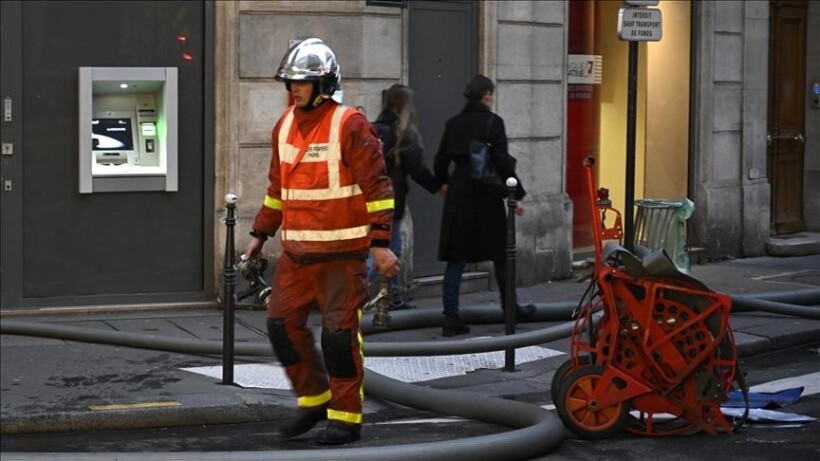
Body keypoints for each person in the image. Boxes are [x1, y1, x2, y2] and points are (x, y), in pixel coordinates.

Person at [243, 38, 399, 446]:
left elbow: (378, 189)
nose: (293, 89)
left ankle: (345, 417)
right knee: (280, 326)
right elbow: (278, 188)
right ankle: (313, 399)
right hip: (296, 255)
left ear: (324, 83)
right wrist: (260, 234)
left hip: (342, 257)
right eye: (290, 82)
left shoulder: (350, 124)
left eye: (302, 82)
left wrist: (381, 244)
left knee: (338, 337)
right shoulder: (284, 125)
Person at [433, 74, 536, 337]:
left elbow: (440, 161)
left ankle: (450, 316)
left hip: (459, 196)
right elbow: (502, 161)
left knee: (456, 259)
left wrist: (444, 184)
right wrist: (516, 195)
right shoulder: (493, 122)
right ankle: (509, 310)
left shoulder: (453, 123)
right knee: (501, 257)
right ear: (487, 95)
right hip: (488, 198)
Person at [368, 84, 442, 309]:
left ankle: (393, 296)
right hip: (392, 204)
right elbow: (418, 169)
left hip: (370, 202)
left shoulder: (374, 128)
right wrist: (439, 187)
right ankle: (355, 293)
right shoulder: (402, 134)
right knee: (388, 251)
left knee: (384, 249)